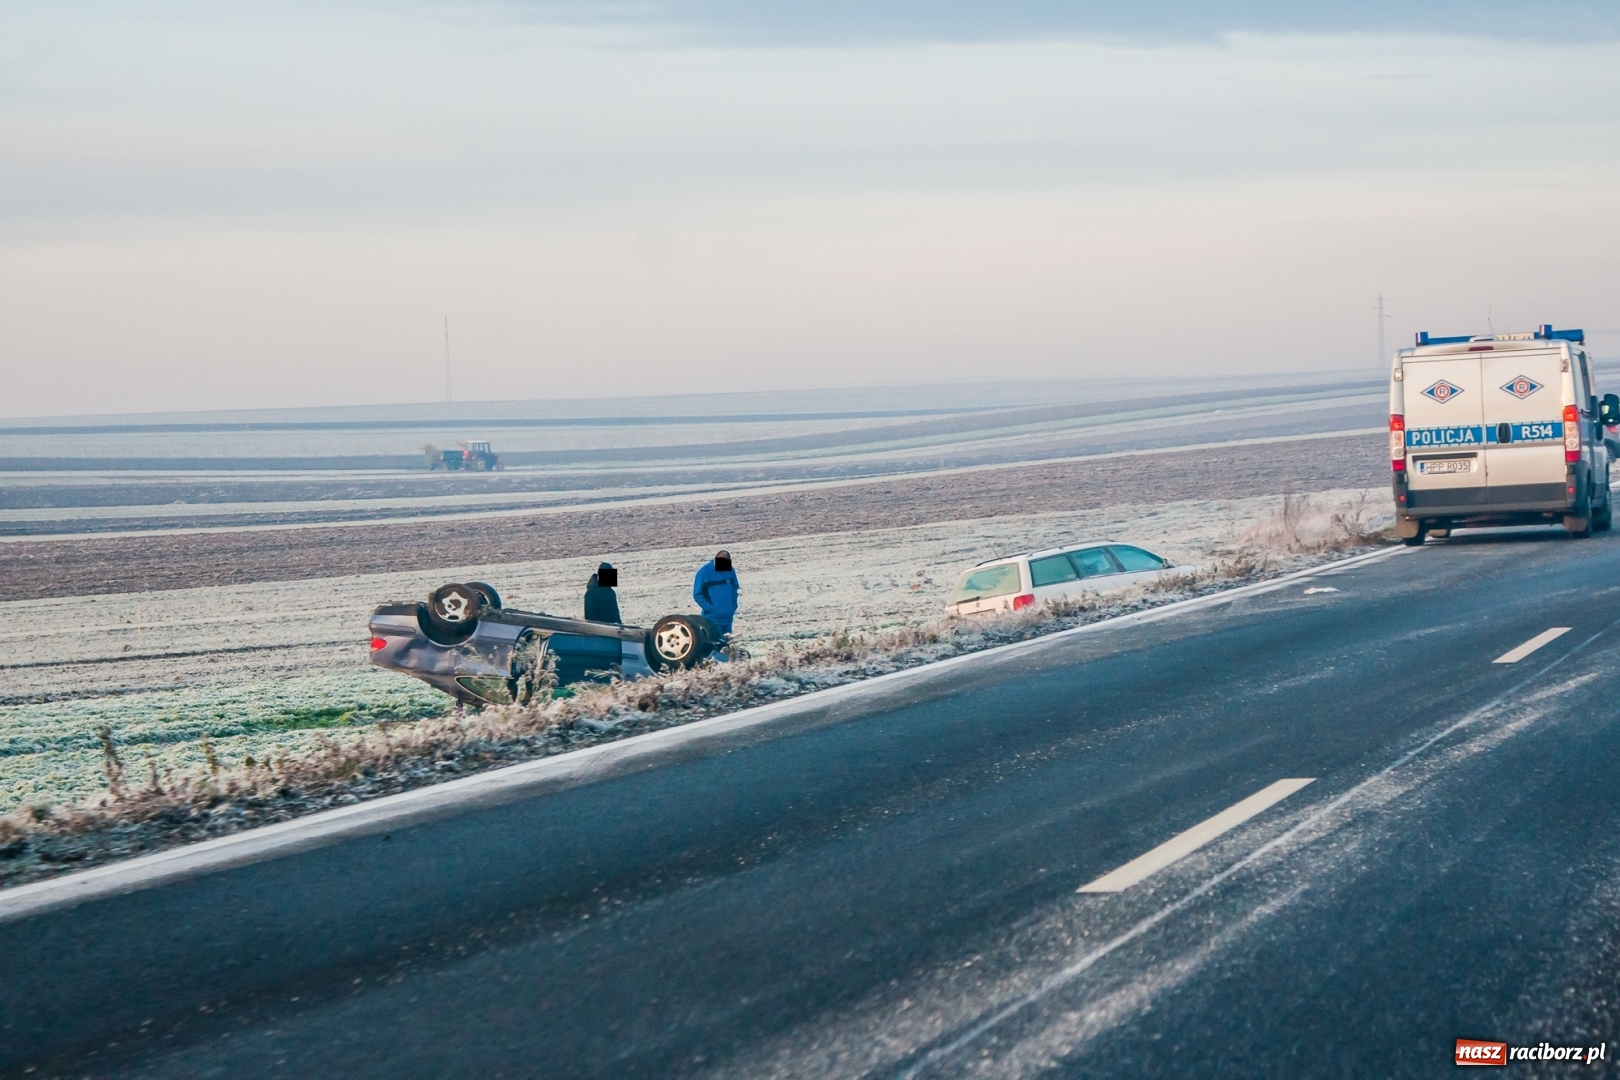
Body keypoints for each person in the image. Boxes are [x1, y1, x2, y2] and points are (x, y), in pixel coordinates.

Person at [692, 549, 739, 639]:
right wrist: (711, 609)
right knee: (715, 645)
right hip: (711, 619)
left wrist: (733, 606)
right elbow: (697, 594)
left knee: (727, 646)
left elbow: (734, 588)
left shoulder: (730, 570)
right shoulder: (704, 572)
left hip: (728, 617)